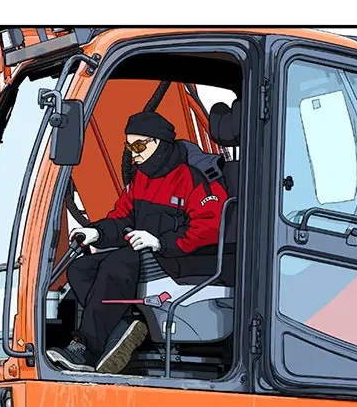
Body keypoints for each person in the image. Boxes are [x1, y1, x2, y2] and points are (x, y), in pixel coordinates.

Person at [47, 110, 228, 374]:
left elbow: (209, 227)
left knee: (118, 264)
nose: (134, 154)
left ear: (159, 142)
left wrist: (160, 242)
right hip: (148, 254)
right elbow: (123, 217)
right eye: (129, 147)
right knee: (80, 268)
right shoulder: (141, 178)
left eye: (139, 146)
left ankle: (88, 349)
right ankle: (126, 327)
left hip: (184, 257)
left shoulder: (194, 177)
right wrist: (97, 232)